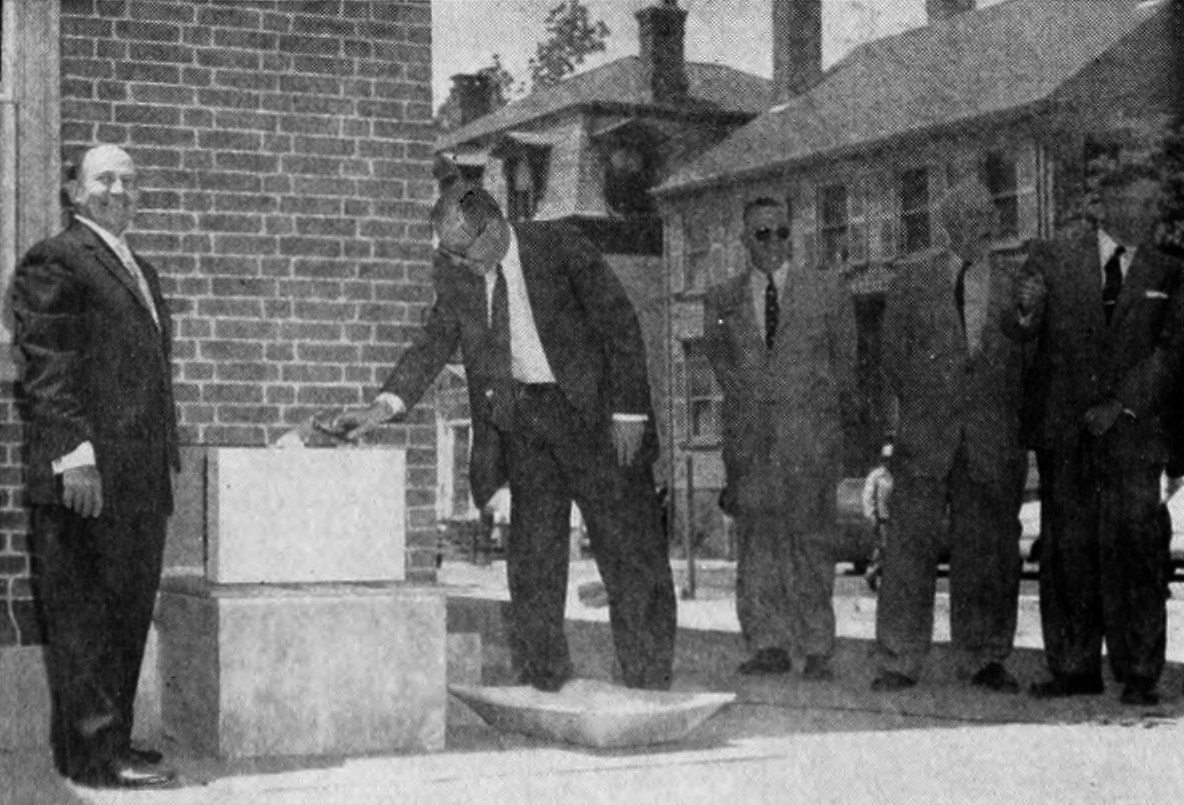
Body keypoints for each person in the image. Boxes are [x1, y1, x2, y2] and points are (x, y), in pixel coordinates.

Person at [333, 186, 676, 691]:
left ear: (492, 229)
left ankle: (649, 682)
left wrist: (629, 411)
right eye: (446, 252)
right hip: (525, 421)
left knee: (630, 549)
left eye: (459, 250)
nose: (453, 262)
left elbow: (619, 323)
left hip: (594, 417)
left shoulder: (560, 245)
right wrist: (384, 405)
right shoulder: (460, 274)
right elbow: (432, 343)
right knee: (533, 560)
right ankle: (546, 683)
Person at [13, 145, 179, 788]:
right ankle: (91, 758)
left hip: (138, 481)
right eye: (104, 178)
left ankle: (113, 743)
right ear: (74, 192)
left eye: (130, 180)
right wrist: (74, 456)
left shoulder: (141, 269)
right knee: (85, 616)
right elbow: (48, 364)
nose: (119, 189)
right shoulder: (56, 259)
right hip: (87, 478)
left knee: (127, 613)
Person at [1019, 163, 1184, 705]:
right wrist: (1024, 309)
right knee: (1067, 551)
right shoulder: (1055, 259)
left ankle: (1140, 671)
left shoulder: (1169, 272)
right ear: (1105, 205)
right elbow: (1025, 327)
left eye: (1152, 204)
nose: (1144, 215)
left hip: (1135, 437)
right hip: (1066, 435)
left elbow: (1172, 352)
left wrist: (1121, 404)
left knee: (1137, 552)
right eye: (1133, 202)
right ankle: (1073, 667)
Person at [870, 178, 1030, 693]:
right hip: (925, 441)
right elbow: (891, 363)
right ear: (946, 225)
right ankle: (898, 659)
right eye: (963, 219)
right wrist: (907, 426)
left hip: (989, 440)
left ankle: (985, 657)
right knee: (909, 553)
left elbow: (1025, 362)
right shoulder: (910, 283)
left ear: (995, 225)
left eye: (983, 219)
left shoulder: (1016, 284)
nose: (974, 229)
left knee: (987, 553)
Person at [703, 197, 856, 679]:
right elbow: (723, 370)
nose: (772, 243)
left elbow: (845, 370)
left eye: (780, 233)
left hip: (809, 445)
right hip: (752, 448)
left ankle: (815, 647)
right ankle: (767, 643)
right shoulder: (722, 300)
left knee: (811, 547)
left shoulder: (826, 291)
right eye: (761, 234)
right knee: (758, 548)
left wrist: (828, 438)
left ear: (793, 235)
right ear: (745, 240)